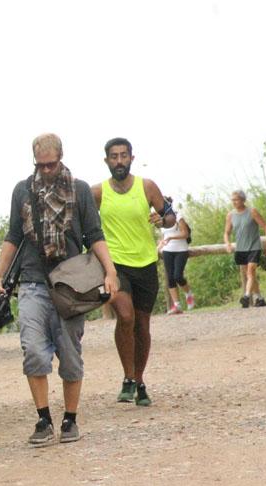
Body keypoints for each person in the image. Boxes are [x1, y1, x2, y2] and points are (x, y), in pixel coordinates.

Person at [0, 133, 119, 447]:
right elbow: (13, 234)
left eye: (51, 164)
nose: (47, 170)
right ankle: (43, 418)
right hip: (32, 281)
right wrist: (0, 269)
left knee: (70, 354)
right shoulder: (22, 190)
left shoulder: (80, 190)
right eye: (41, 165)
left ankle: (70, 419)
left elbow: (94, 234)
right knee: (33, 350)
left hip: (72, 284)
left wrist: (110, 271)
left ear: (60, 158)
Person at [92, 137, 176, 407]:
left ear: (131, 158)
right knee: (125, 316)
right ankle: (128, 376)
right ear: (106, 161)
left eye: (123, 156)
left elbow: (170, 216)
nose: (119, 161)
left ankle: (139, 381)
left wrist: (162, 219)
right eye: (114, 156)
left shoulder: (147, 186)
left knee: (142, 324)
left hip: (145, 263)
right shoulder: (98, 192)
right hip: (115, 265)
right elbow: (83, 222)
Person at [224, 190, 266, 308]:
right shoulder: (230, 215)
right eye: (232, 200)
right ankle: (260, 299)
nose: (234, 202)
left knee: (250, 272)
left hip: (254, 247)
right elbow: (226, 232)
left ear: (243, 200)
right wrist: (228, 243)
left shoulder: (252, 211)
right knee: (250, 275)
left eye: (236, 200)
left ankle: (246, 297)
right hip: (240, 249)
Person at [157, 196, 195, 314]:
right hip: (167, 250)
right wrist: (160, 244)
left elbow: (185, 233)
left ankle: (189, 294)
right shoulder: (161, 220)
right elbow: (164, 236)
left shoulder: (178, 216)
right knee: (170, 278)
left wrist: (171, 237)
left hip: (181, 250)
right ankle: (177, 305)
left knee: (178, 276)